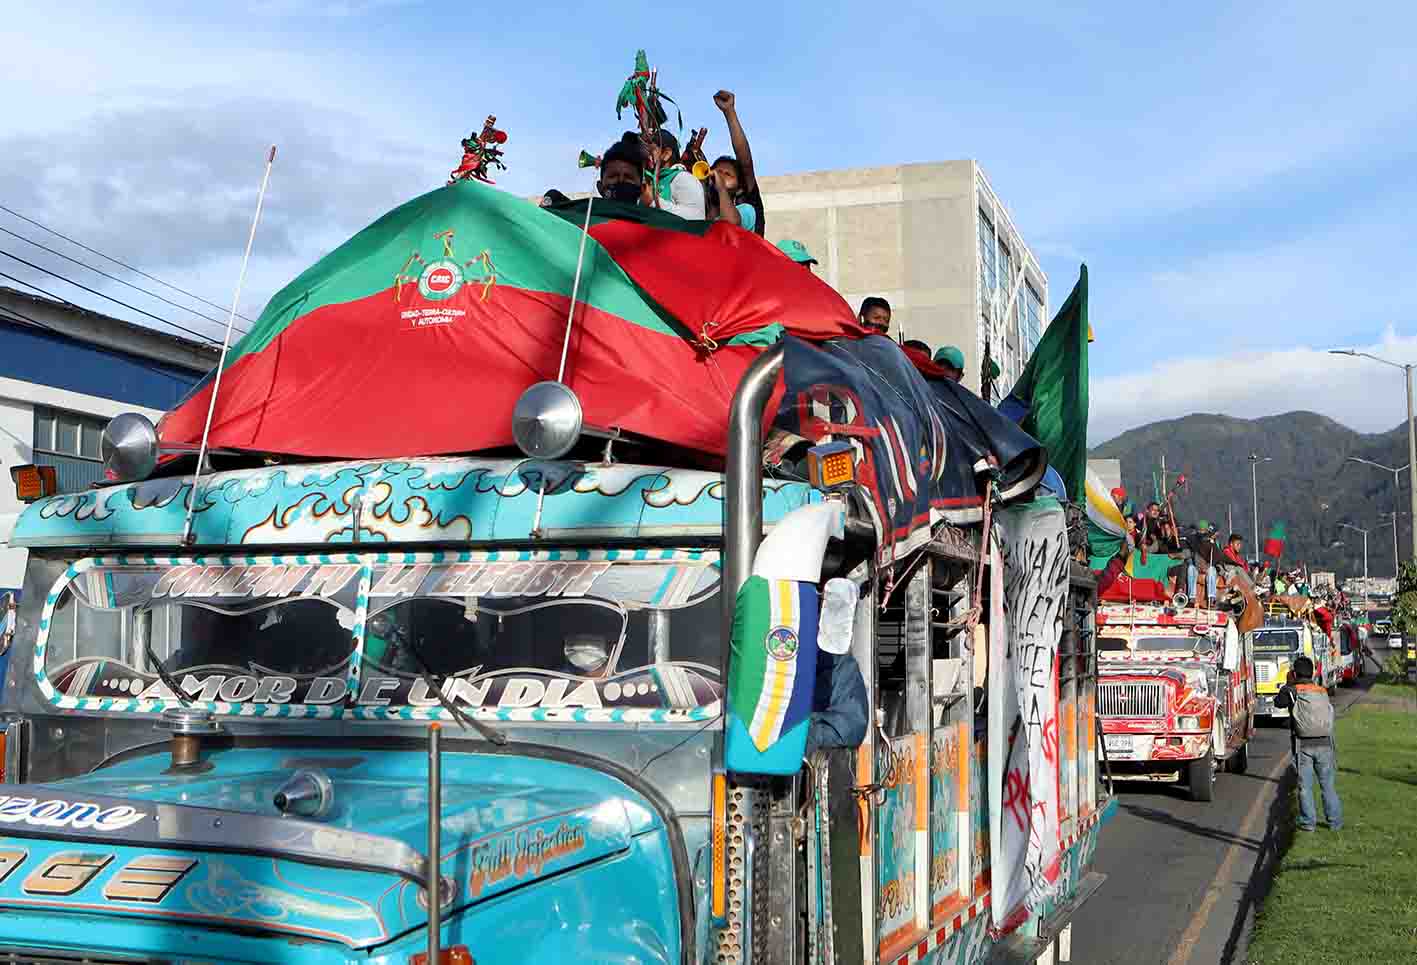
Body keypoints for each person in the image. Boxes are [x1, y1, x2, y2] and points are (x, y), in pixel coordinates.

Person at [1274, 656, 1343, 831]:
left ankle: (1308, 822)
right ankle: (1335, 822)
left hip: (1303, 745)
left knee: (1305, 786)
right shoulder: (1321, 690)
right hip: (1325, 743)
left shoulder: (1292, 690)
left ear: (1294, 673)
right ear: (1312, 672)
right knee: (1327, 784)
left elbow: (1278, 703)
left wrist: (1288, 683)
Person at [709, 90, 765, 236]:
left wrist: (729, 112)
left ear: (740, 189)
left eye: (727, 174)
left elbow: (745, 163)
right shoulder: (700, 211)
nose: (719, 175)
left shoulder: (746, 210)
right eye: (717, 171)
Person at [646, 130, 706, 220]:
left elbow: (696, 218)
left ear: (666, 154)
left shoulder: (683, 179)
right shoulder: (647, 179)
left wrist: (652, 202)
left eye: (651, 150)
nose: (647, 155)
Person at [596, 133, 648, 204]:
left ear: (642, 189)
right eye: (613, 176)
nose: (621, 180)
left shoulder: (655, 215)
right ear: (600, 187)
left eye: (629, 177)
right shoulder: (585, 213)